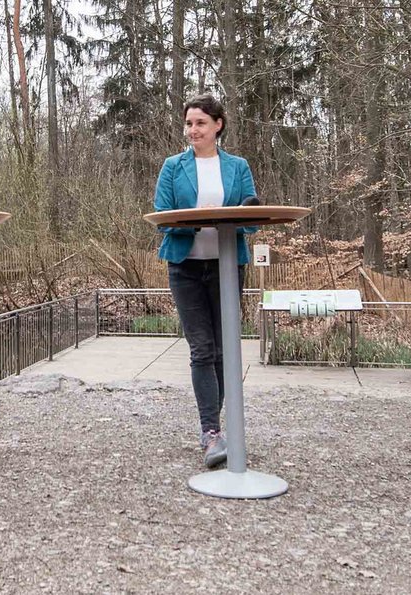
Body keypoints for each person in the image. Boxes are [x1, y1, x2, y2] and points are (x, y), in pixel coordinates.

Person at [153, 93, 257, 468]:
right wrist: (205, 217)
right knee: (201, 348)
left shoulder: (238, 167)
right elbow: (164, 214)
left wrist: (230, 219)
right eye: (188, 123)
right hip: (185, 267)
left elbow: (250, 217)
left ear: (218, 125)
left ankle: (224, 424)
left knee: (224, 348)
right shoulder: (172, 167)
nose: (193, 130)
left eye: (200, 123)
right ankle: (210, 432)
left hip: (228, 266)